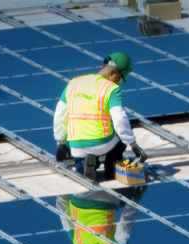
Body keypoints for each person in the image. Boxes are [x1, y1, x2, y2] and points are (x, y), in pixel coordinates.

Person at [53, 52, 147, 181]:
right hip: (103, 142)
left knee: (80, 161)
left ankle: (84, 164)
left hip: (77, 144)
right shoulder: (112, 89)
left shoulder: (73, 83)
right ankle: (111, 167)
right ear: (112, 73)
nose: (118, 83)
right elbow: (120, 119)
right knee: (125, 127)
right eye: (119, 79)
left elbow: (59, 115)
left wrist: (61, 142)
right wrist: (133, 143)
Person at [56, 185, 147, 244]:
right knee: (81, 174)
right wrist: (62, 192)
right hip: (79, 197)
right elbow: (65, 219)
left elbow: (124, 228)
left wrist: (135, 200)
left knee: (127, 192)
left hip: (104, 200)